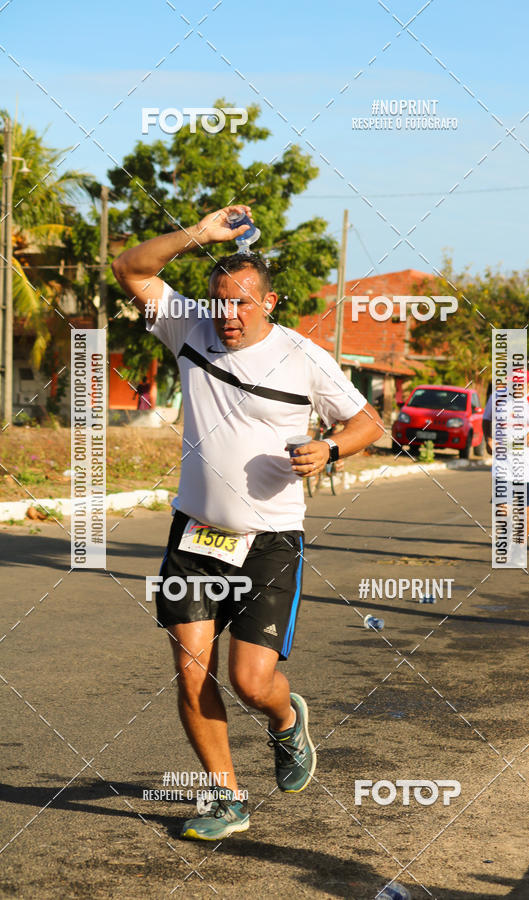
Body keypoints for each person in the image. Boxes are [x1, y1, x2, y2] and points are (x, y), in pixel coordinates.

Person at [112, 206, 383, 841]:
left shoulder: (303, 358)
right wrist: (201, 235)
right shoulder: (189, 331)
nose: (227, 317)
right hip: (196, 533)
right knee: (191, 670)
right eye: (218, 305)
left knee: (249, 680)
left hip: (270, 540)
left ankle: (286, 720)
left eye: (240, 305)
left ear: (269, 302)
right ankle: (225, 797)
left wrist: (332, 450)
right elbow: (130, 267)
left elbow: (368, 421)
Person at [482, 370, 529, 537]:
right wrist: (488, 439)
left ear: (528, 384)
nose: (514, 388)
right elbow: (486, 419)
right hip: (502, 463)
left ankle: (519, 546)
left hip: (528, 466)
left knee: (525, 513)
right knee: (502, 509)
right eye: (512, 383)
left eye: (518, 384)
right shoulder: (497, 397)